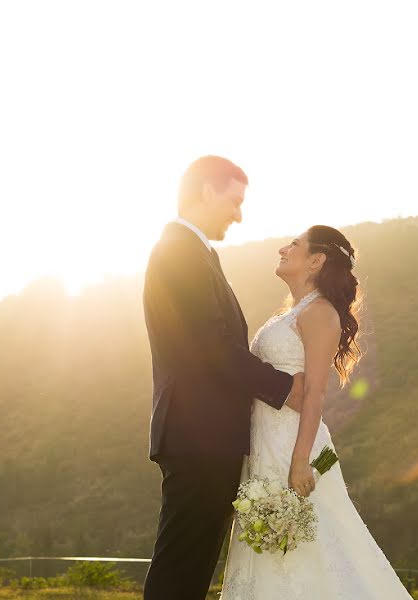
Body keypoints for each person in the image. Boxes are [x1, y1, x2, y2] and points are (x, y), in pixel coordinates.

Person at [141, 155, 306, 600]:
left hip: (203, 434)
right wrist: (284, 387)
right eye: (234, 200)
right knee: (182, 565)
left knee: (190, 567)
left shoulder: (193, 252)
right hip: (198, 434)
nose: (239, 213)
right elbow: (210, 344)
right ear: (207, 191)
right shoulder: (179, 251)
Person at [220, 225, 414, 599]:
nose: (282, 248)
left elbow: (315, 392)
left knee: (311, 546)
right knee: (271, 546)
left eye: (293, 244)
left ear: (316, 259)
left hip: (294, 446)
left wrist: (299, 461)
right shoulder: (291, 313)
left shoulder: (321, 313)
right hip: (265, 443)